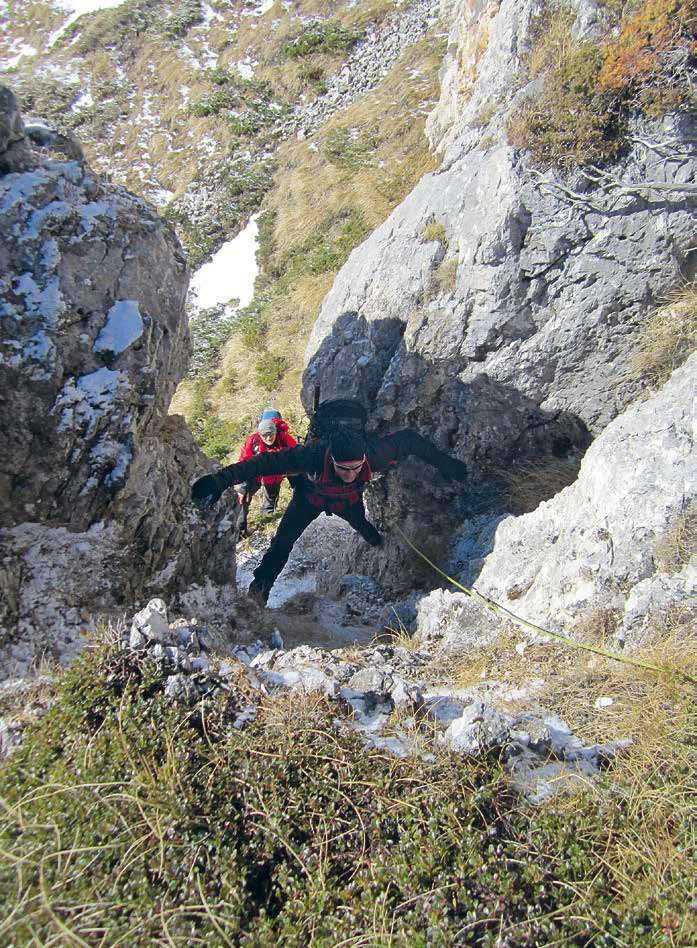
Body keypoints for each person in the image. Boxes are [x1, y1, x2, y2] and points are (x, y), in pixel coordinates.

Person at [192, 424, 467, 606]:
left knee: (364, 528)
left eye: (356, 469)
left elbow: (409, 440)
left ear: (364, 462)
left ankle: (377, 543)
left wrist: (450, 466)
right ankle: (260, 590)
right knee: (282, 542)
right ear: (331, 460)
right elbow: (263, 463)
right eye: (343, 469)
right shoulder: (311, 455)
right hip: (308, 499)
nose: (350, 475)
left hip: (347, 502)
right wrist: (220, 480)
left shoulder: (372, 455)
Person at [235, 409, 297, 537]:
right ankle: (240, 532)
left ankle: (266, 522)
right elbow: (244, 463)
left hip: (274, 477)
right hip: (254, 475)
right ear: (260, 434)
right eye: (265, 436)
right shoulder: (253, 442)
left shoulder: (284, 439)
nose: (269, 438)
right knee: (243, 499)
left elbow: (297, 457)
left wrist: (297, 482)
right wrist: (244, 487)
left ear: (276, 431)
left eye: (271, 435)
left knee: (270, 501)